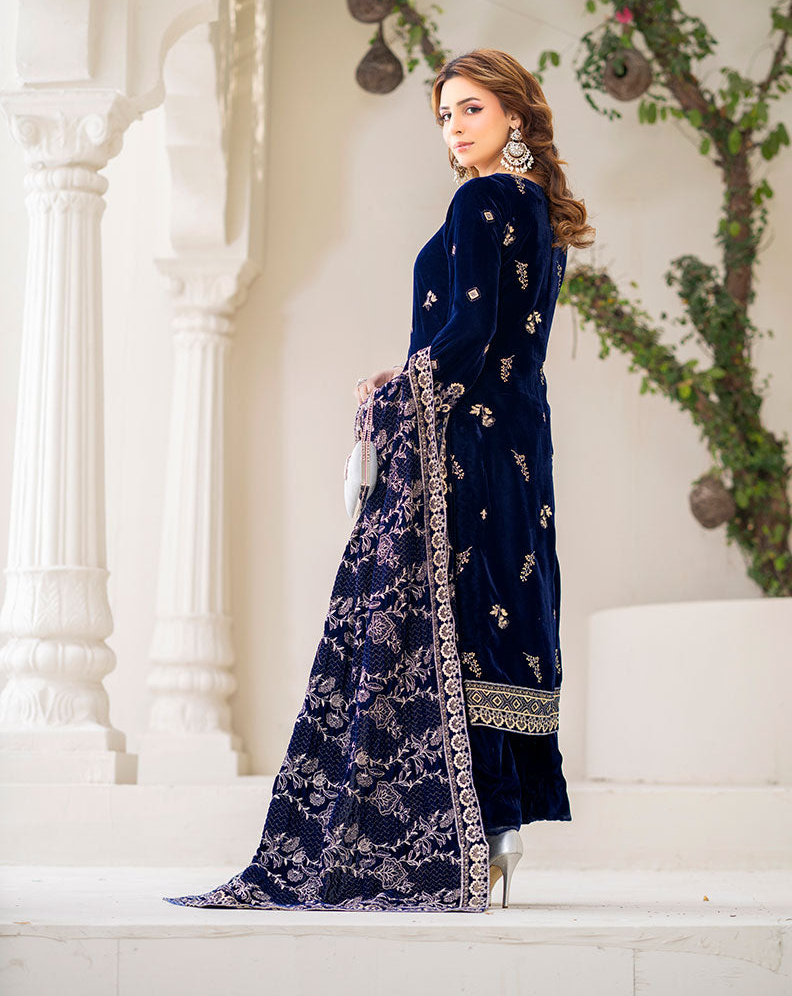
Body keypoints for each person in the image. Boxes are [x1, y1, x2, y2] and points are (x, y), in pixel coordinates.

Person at [164, 48, 595, 914]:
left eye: (472, 109)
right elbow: (504, 343)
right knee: (486, 619)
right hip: (519, 440)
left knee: (443, 619)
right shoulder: (537, 207)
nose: (455, 128)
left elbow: (470, 332)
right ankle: (498, 834)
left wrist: (396, 391)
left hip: (463, 441)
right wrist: (409, 374)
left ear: (514, 115)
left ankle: (469, 839)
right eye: (445, 115)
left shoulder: (480, 199)